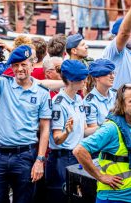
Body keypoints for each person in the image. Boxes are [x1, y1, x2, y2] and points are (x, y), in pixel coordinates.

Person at [0, 38, 51, 202]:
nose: (19, 69)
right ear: (11, 67)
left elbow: (45, 128)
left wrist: (40, 159)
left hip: (25, 155)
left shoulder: (41, 92)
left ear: (32, 65)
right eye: (16, 65)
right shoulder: (4, 83)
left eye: (24, 64)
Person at [45, 60, 91, 203]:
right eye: (81, 78)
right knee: (61, 198)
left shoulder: (78, 99)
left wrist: (105, 126)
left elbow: (84, 131)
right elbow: (57, 139)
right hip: (62, 158)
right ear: (71, 80)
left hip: (77, 155)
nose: (85, 81)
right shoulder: (59, 104)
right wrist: (66, 132)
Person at [84, 59, 117, 129]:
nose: (112, 76)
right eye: (108, 73)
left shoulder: (116, 95)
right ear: (97, 77)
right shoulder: (89, 102)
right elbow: (93, 131)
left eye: (113, 73)